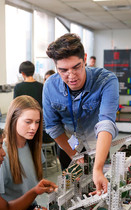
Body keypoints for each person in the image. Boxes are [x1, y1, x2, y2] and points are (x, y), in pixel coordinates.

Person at [43, 33, 119, 195]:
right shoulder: (50, 86)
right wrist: (74, 155)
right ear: (56, 67)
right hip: (68, 145)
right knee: (70, 191)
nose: (71, 76)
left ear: (84, 59)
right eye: (63, 70)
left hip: (97, 144)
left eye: (76, 67)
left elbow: (106, 123)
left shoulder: (106, 81)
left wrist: (97, 168)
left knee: (100, 188)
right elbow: (53, 127)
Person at [0, 96, 46, 210]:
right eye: (28, 122)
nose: (34, 127)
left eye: (37, 122)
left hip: (31, 208)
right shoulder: (2, 153)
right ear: (14, 119)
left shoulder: (33, 147)